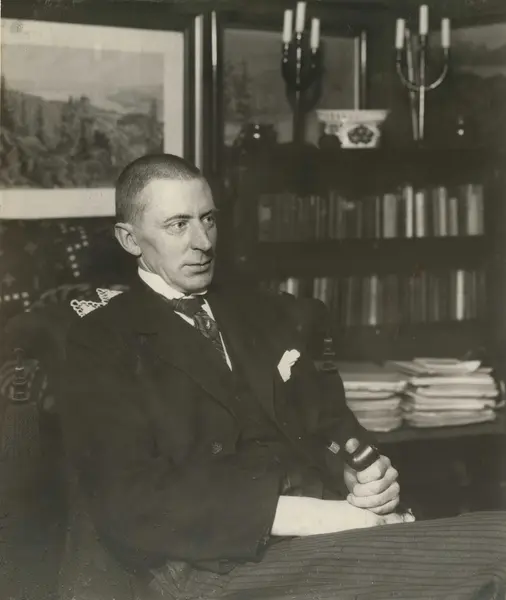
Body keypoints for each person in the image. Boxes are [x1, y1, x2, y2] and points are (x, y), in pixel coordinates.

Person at [61, 153, 506, 600]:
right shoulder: (101, 341)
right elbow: (131, 500)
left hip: (323, 534)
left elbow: (330, 427)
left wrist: (359, 476)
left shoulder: (266, 312)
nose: (203, 241)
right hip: (214, 560)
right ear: (130, 239)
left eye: (208, 219)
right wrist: (320, 518)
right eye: (178, 225)